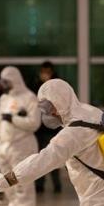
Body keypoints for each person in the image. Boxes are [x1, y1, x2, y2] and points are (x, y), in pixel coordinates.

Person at [0, 66, 41, 206]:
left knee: (23, 184)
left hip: (22, 146)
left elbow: (34, 123)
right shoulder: (4, 98)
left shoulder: (30, 98)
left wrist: (13, 119)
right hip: (5, 147)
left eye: (6, 81)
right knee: (7, 185)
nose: (3, 84)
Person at [33, 61, 63, 194]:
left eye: (47, 72)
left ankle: (57, 184)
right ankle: (40, 184)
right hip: (39, 129)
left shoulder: (57, 87)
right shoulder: (36, 87)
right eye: (43, 72)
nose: (44, 75)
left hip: (54, 128)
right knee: (40, 157)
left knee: (55, 155)